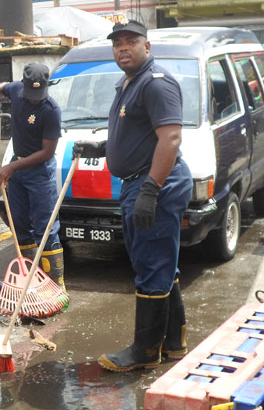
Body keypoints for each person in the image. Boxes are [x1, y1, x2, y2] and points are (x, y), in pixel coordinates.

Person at [73, 20, 193, 372]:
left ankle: (145, 351)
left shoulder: (156, 84)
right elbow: (139, 134)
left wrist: (151, 190)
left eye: (131, 42)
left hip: (154, 184)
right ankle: (173, 343)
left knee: (150, 266)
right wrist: (103, 146)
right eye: (117, 44)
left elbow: (170, 139)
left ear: (147, 47)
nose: (123, 48)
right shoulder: (129, 83)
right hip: (139, 182)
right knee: (159, 264)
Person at [0, 63, 66, 291]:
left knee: (45, 228)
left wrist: (12, 167)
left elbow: (47, 152)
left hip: (39, 171)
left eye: (39, 94)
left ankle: (56, 286)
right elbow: (4, 86)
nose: (35, 99)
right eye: (32, 94)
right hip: (18, 169)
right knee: (19, 224)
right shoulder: (17, 90)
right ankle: (31, 282)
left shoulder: (51, 110)